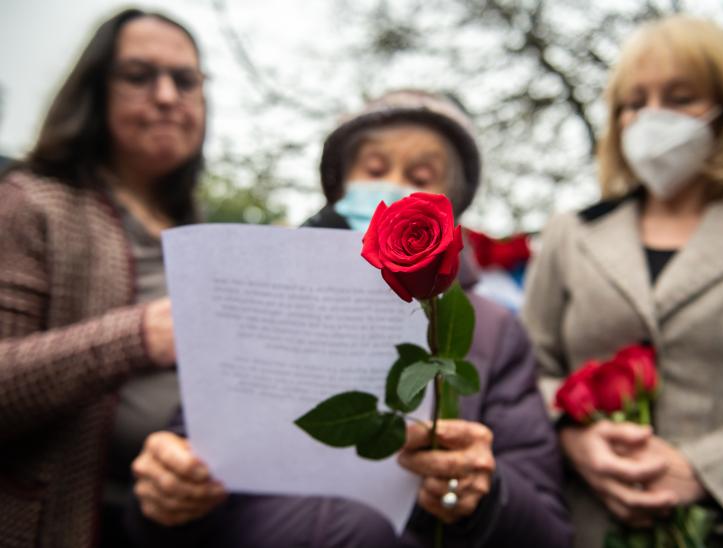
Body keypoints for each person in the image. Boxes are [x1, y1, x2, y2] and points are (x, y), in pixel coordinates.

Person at [126, 90, 573, 547]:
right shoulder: (260, 301)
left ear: (451, 205)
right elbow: (173, 483)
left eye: (420, 175)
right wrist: (171, 490)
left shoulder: (493, 330)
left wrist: (483, 494)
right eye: (375, 171)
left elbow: (548, 532)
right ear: (341, 188)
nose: (392, 188)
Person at [521, 15, 723, 548]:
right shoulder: (570, 233)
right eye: (634, 103)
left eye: (680, 98)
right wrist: (574, 439)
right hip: (586, 526)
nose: (651, 117)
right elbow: (527, 375)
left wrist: (704, 469)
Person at [0, 9, 206, 547]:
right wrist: (139, 335)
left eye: (185, 80)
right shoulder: (30, 204)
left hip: (191, 520)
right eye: (139, 75)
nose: (166, 96)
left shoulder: (201, 232)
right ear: (95, 89)